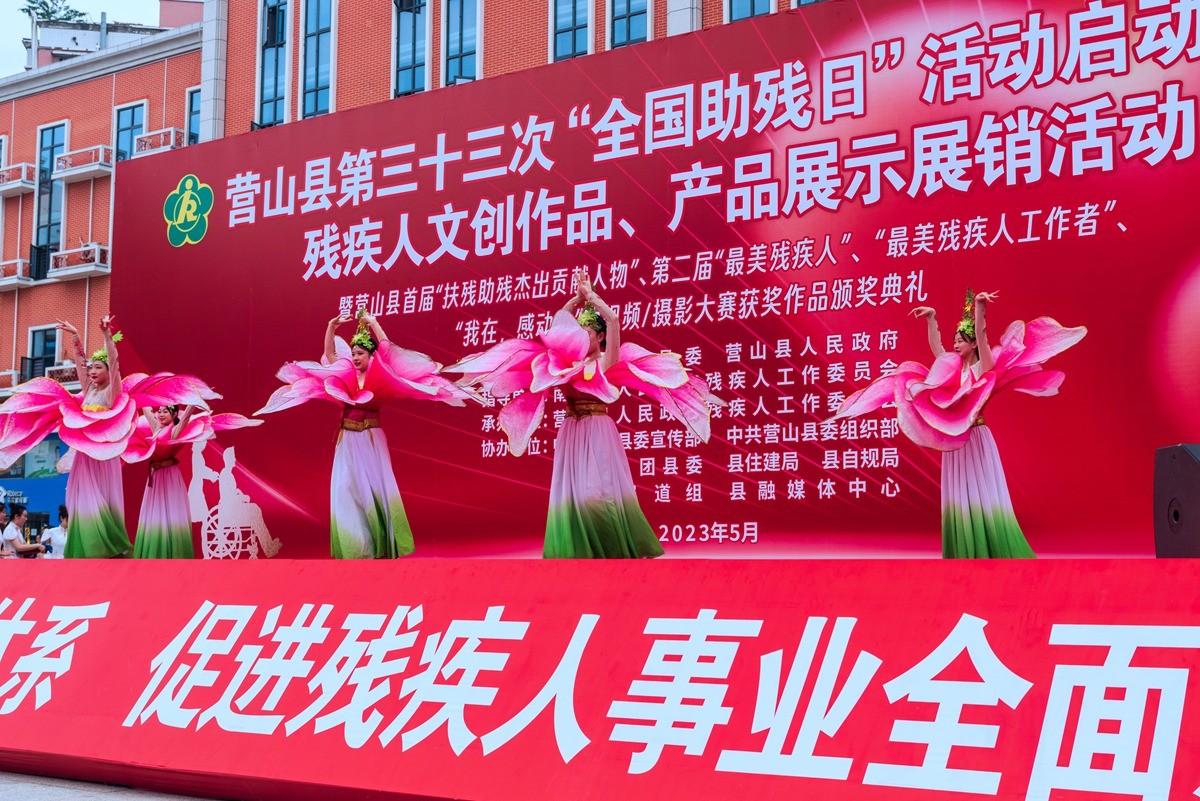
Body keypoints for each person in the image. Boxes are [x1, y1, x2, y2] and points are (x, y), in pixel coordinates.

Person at [448, 269, 723, 558]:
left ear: (600, 336)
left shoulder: (605, 361)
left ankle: (612, 550)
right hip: (572, 428)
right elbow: (559, 329)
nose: (578, 338)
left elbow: (613, 321)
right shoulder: (565, 363)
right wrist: (574, 301)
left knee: (596, 491)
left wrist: (593, 298)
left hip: (596, 428)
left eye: (587, 334)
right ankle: (577, 552)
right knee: (571, 492)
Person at [834, 289, 1086, 558]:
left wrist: (980, 308)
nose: (955, 345)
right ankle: (963, 550)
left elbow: (983, 336)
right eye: (954, 341)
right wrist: (931, 319)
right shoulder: (953, 370)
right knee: (960, 492)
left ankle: (991, 547)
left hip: (976, 437)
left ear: (973, 345)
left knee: (982, 490)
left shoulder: (983, 367)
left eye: (960, 341)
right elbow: (937, 350)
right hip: (954, 440)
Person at [258, 311, 475, 558]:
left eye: (360, 353)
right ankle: (357, 547)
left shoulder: (378, 375)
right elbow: (329, 355)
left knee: (374, 488)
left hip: (370, 437)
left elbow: (388, 350)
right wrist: (330, 327)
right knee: (346, 488)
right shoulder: (345, 374)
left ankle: (381, 543)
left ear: (371, 356)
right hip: (348, 439)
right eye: (353, 354)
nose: (355, 357)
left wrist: (374, 323)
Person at [57, 316, 133, 558]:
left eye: (98, 367)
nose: (91, 371)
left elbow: (115, 361)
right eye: (91, 368)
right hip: (84, 455)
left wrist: (107, 336)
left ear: (109, 371)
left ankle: (105, 547)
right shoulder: (89, 391)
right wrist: (75, 336)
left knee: (100, 499)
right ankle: (84, 548)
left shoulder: (112, 392)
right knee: (79, 499)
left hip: (102, 455)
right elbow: (80, 363)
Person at [132, 406, 197, 558]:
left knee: (171, 512)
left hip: (170, 476)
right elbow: (146, 409)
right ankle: (154, 553)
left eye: (165, 412)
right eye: (159, 411)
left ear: (174, 414)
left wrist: (193, 403)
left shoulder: (174, 430)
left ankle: (174, 553)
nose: (161, 414)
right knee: (154, 513)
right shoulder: (155, 427)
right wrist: (143, 399)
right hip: (155, 476)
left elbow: (186, 418)